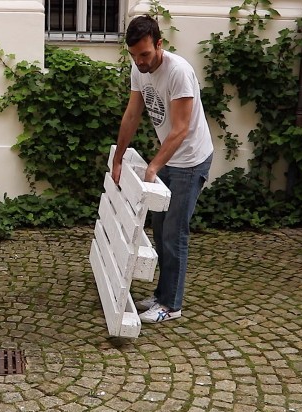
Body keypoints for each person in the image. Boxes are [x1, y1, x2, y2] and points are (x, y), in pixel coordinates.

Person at [111, 15, 214, 324]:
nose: (140, 61)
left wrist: (154, 166)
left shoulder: (179, 72)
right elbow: (132, 114)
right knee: (159, 227)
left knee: (174, 232)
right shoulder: (139, 69)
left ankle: (171, 304)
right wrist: (118, 158)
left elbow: (181, 129)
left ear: (159, 44)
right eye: (134, 55)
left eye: (144, 54)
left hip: (190, 161)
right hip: (168, 158)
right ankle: (161, 294)